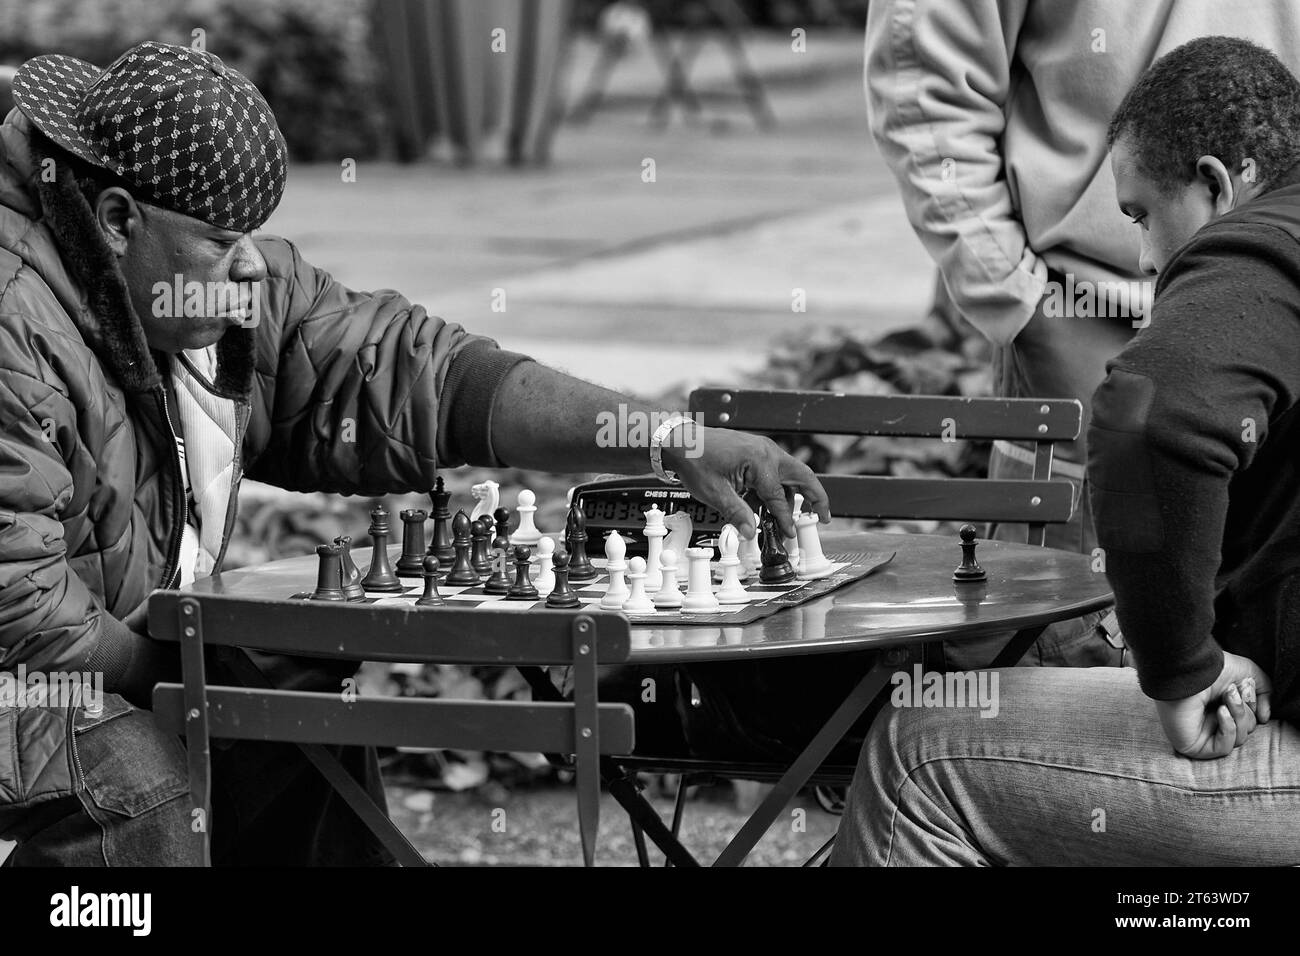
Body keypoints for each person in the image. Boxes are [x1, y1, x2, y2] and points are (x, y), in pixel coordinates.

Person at [0, 41, 829, 866]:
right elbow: (21, 611)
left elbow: (418, 375)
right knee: (139, 788)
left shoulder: (215, 288)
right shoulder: (15, 318)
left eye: (255, 236)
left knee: (292, 714)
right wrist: (184, 675)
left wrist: (666, 439)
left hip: (102, 655)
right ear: (116, 220)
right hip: (25, 680)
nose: (252, 266)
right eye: (221, 240)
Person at [831, 36, 1300, 866]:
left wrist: (1185, 673)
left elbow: (1146, 422)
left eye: (1142, 216)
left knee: (921, 749)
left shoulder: (1262, 241)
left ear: (1220, 182)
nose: (1150, 260)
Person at [864, 0, 1300, 668]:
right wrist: (1021, 302)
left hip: (1272, 327)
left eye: (1141, 217)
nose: (1150, 256)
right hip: (1079, 325)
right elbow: (920, 70)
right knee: (1053, 667)